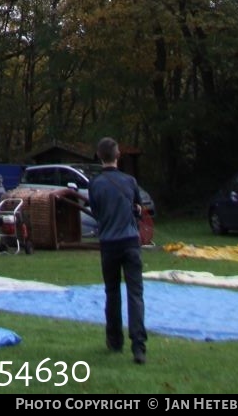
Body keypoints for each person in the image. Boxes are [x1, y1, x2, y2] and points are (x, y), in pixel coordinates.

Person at [87, 137, 147, 365]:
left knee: (112, 292)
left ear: (99, 156)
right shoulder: (130, 182)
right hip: (130, 242)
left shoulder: (95, 184)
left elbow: (96, 212)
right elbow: (138, 208)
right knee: (135, 293)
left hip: (109, 244)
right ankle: (138, 346)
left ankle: (114, 340)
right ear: (118, 156)